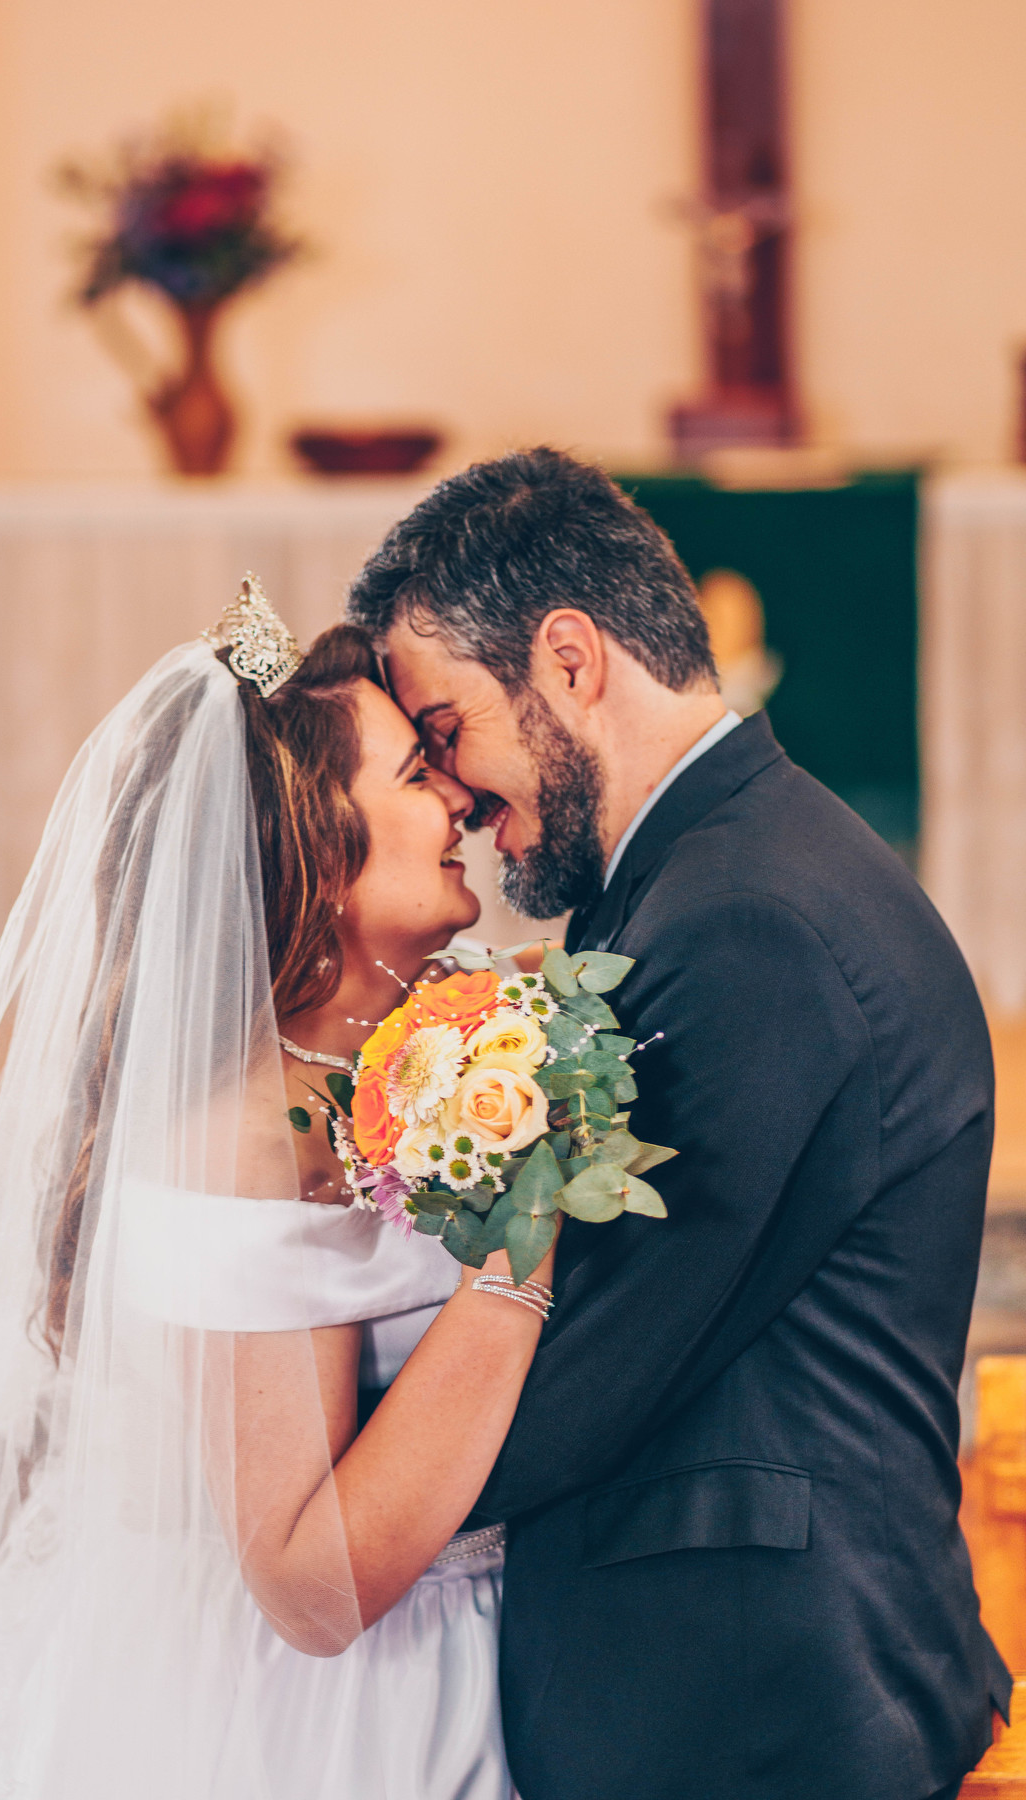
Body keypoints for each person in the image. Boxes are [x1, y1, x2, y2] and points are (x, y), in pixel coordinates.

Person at [348, 446, 1011, 1800]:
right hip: (755, 1674)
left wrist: (298, 1445)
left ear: (572, 661)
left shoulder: (744, 924)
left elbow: (580, 1373)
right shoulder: (711, 874)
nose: (457, 793)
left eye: (448, 730)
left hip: (757, 1706)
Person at [0, 588, 550, 1798]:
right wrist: (529, 1245)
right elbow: (310, 1585)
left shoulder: (441, 1029)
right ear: (318, 852)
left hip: (501, 1641)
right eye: (417, 778)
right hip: (338, 1715)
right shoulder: (241, 1143)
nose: (463, 801)